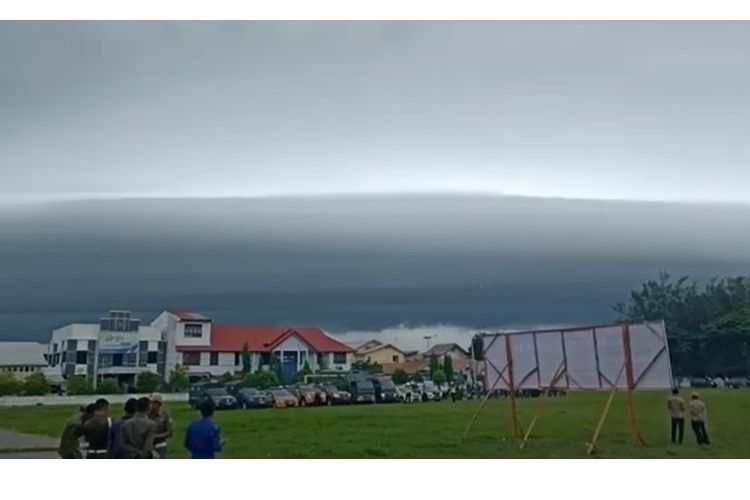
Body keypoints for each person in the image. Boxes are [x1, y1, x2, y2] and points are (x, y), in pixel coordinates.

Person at [149, 393, 174, 458]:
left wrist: (156, 436)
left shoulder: (164, 416)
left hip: (160, 445)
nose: (152, 405)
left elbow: (170, 432)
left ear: (159, 404)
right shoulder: (146, 415)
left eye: (154, 403)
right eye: (151, 402)